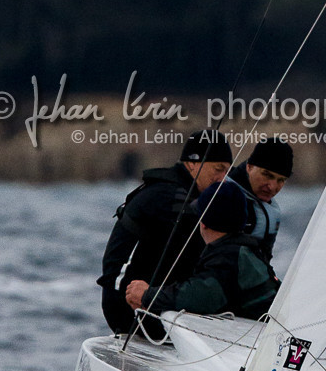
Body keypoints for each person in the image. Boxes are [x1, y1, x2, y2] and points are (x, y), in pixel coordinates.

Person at [97, 131, 233, 333]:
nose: (222, 178)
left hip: (137, 301)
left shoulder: (177, 189)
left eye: (227, 172)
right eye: (218, 169)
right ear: (192, 163)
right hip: (128, 308)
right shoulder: (173, 197)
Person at [124, 182, 278, 322]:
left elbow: (201, 296)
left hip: (263, 333)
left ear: (203, 223)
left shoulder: (229, 256)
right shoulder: (245, 249)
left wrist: (148, 295)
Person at [228, 137, 293, 269]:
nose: (272, 186)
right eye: (267, 175)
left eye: (281, 180)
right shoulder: (222, 198)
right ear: (249, 167)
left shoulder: (271, 209)